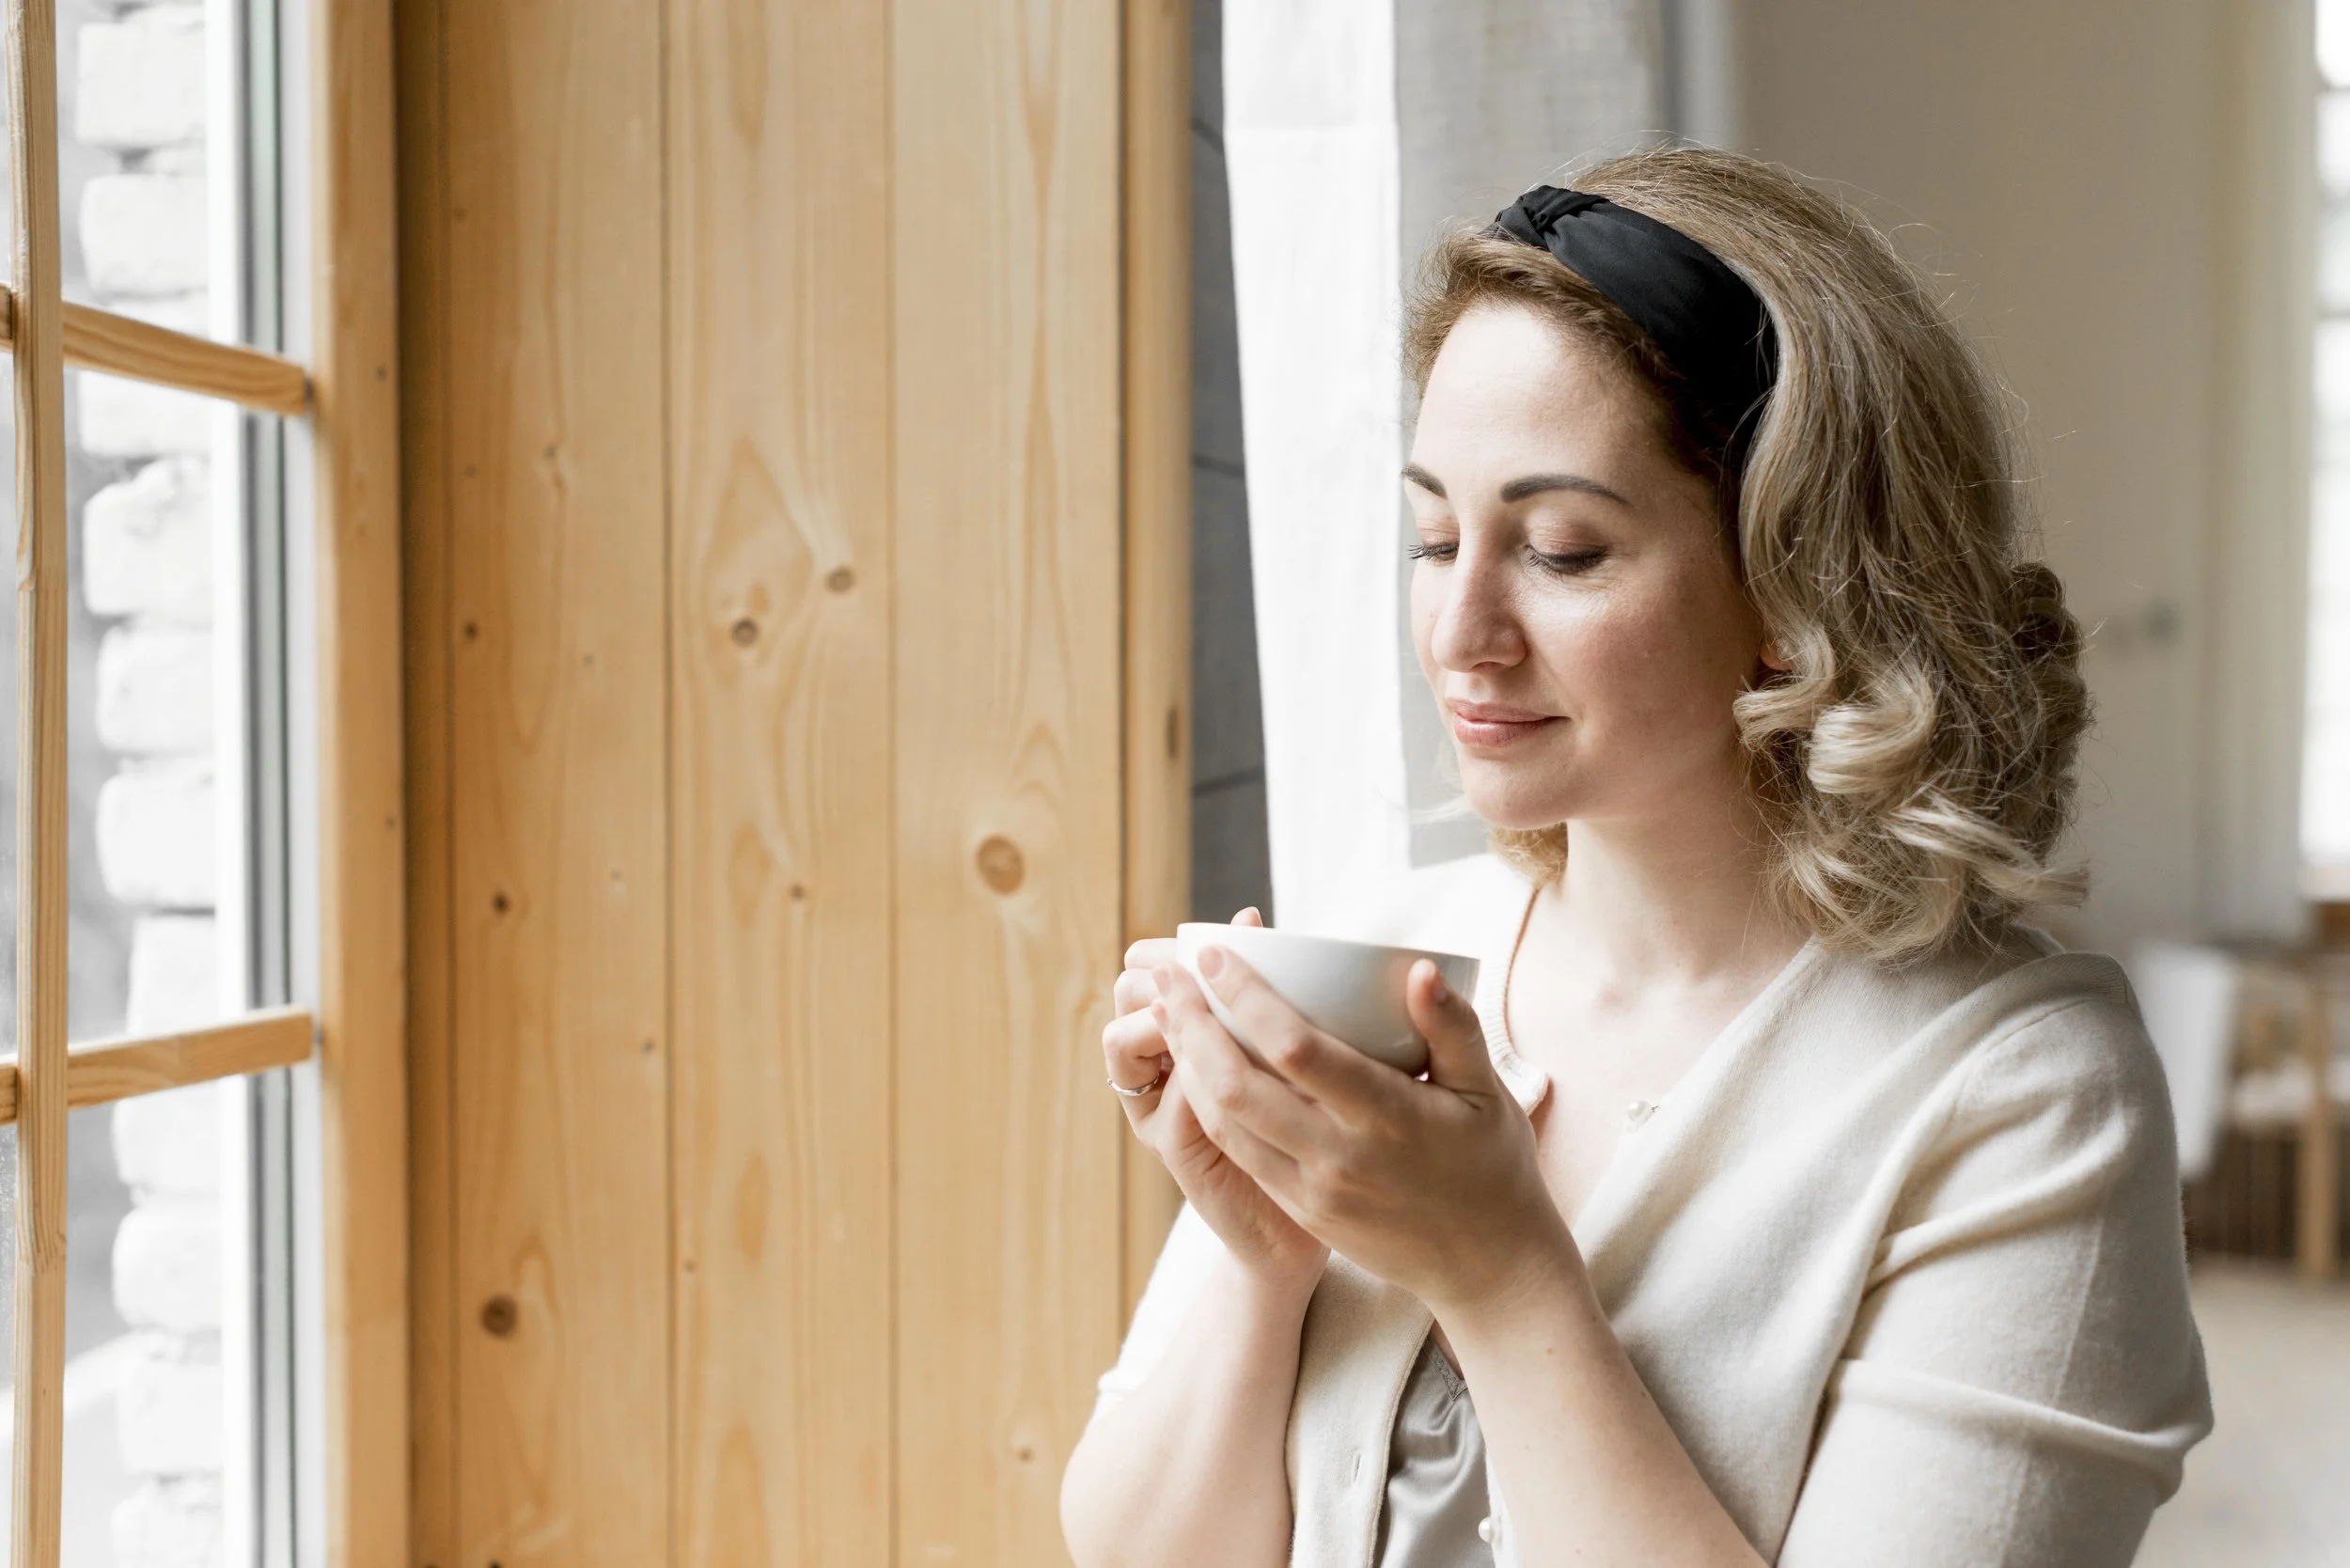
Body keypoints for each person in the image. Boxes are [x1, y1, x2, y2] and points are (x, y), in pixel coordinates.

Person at [1058, 146, 2212, 1568]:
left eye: (1562, 551)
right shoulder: (1390, 954)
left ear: (1799, 586)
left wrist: (1498, 1273)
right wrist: (1265, 1248)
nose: (1461, 634)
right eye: (1436, 538)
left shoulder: (2024, 1099)